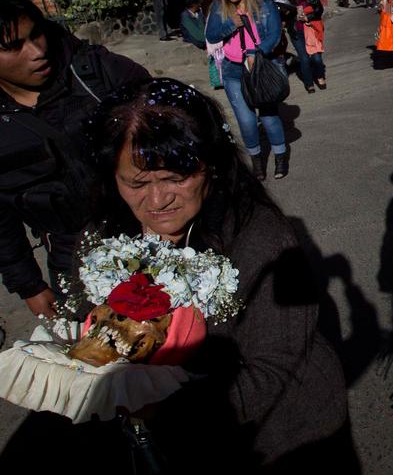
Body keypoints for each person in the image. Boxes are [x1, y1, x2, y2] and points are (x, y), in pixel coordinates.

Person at [0, 78, 355, 471]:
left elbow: (276, 366)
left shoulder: (261, 236)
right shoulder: (99, 234)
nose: (157, 200)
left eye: (175, 178)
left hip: (278, 438)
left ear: (212, 166)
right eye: (136, 182)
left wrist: (164, 411)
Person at [0, 0, 148, 318]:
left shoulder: (97, 73)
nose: (37, 51)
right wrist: (30, 286)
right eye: (14, 47)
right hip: (72, 264)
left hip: (152, 236)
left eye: (36, 33)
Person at [205, 0, 290, 180]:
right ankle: (257, 162)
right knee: (246, 120)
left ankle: (280, 157)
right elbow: (212, 35)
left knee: (269, 116)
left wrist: (257, 52)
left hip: (260, 66)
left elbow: (274, 34)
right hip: (233, 70)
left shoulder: (265, 4)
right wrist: (231, 24)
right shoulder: (219, 6)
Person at [287, 0, 326, 93]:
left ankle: (320, 76)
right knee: (304, 59)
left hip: (310, 29)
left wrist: (308, 17)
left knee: (316, 58)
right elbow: (284, 16)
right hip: (296, 32)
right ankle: (309, 83)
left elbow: (319, 9)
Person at [179, 0, 222, 90]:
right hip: (194, 38)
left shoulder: (199, 13)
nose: (199, 5)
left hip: (204, 37)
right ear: (193, 5)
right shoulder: (185, 16)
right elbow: (194, 32)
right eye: (197, 3)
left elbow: (205, 26)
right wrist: (207, 40)